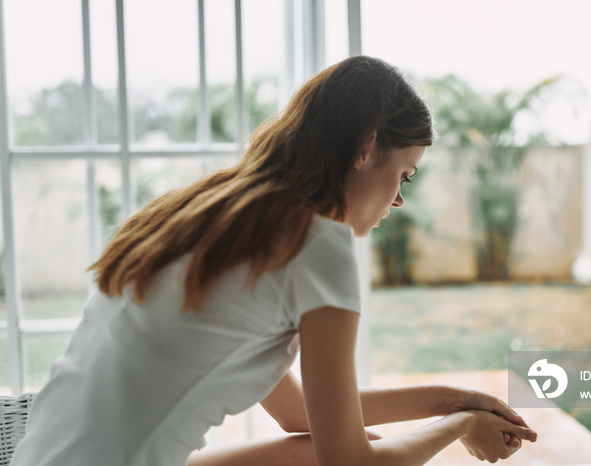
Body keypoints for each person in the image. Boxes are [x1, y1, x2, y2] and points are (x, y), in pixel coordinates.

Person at [11, 55, 536, 466]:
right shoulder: (317, 244)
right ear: (367, 148)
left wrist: (453, 400)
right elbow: (349, 461)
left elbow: (297, 414)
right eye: (405, 174)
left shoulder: (214, 211)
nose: (399, 200)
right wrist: (461, 425)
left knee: (311, 451)